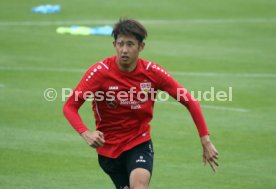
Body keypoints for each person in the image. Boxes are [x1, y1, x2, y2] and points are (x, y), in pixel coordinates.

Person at [63, 18, 219, 189]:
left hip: (139, 142)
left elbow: (189, 101)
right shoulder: (100, 72)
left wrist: (205, 140)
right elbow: (70, 106)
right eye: (120, 44)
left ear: (141, 47)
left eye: (130, 44)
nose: (124, 50)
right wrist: (86, 133)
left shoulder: (152, 72)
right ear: (114, 44)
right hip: (108, 149)